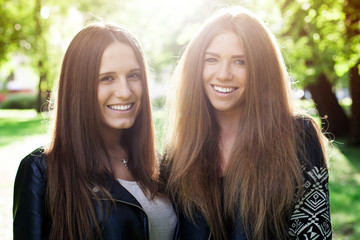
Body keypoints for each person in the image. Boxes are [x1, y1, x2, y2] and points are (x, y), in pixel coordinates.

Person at [161, 7, 332, 240]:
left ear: (261, 69)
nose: (223, 74)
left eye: (240, 61)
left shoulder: (298, 137)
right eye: (211, 59)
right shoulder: (179, 150)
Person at [13, 22, 177, 240]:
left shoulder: (160, 167)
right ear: (79, 87)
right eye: (107, 78)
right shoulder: (41, 172)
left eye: (133, 75)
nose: (125, 91)